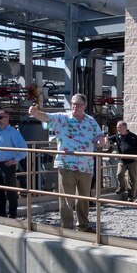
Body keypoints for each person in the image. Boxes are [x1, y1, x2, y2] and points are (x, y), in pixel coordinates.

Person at [29, 94, 107, 232]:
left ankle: (83, 226)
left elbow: (99, 137)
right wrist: (35, 113)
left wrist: (102, 141)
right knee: (66, 199)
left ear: (85, 106)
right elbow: (46, 117)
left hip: (86, 164)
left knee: (83, 198)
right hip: (66, 164)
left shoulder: (91, 121)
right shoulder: (62, 118)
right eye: (73, 103)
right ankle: (67, 228)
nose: (74, 106)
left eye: (78, 104)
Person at [0, 109, 27, 218]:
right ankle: (1, 213)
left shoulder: (13, 133)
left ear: (7, 118)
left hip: (7, 165)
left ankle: (12, 214)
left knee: (11, 192)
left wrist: (15, 160)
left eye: (0, 117)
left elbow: (23, 148)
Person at [107, 120, 137, 202]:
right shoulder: (117, 136)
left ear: (124, 127)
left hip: (133, 161)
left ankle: (131, 196)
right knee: (119, 174)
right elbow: (109, 139)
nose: (117, 129)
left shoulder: (133, 136)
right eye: (117, 127)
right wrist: (106, 140)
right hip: (122, 160)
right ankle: (122, 188)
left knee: (132, 179)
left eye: (119, 127)